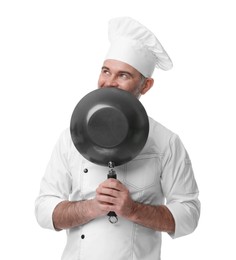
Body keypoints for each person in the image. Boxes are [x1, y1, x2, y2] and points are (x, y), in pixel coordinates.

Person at [35, 17, 200, 260]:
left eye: (123, 75)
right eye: (105, 71)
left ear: (146, 86)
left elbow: (189, 213)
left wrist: (133, 210)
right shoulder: (72, 136)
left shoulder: (166, 142)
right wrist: (92, 207)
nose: (109, 82)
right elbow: (43, 209)